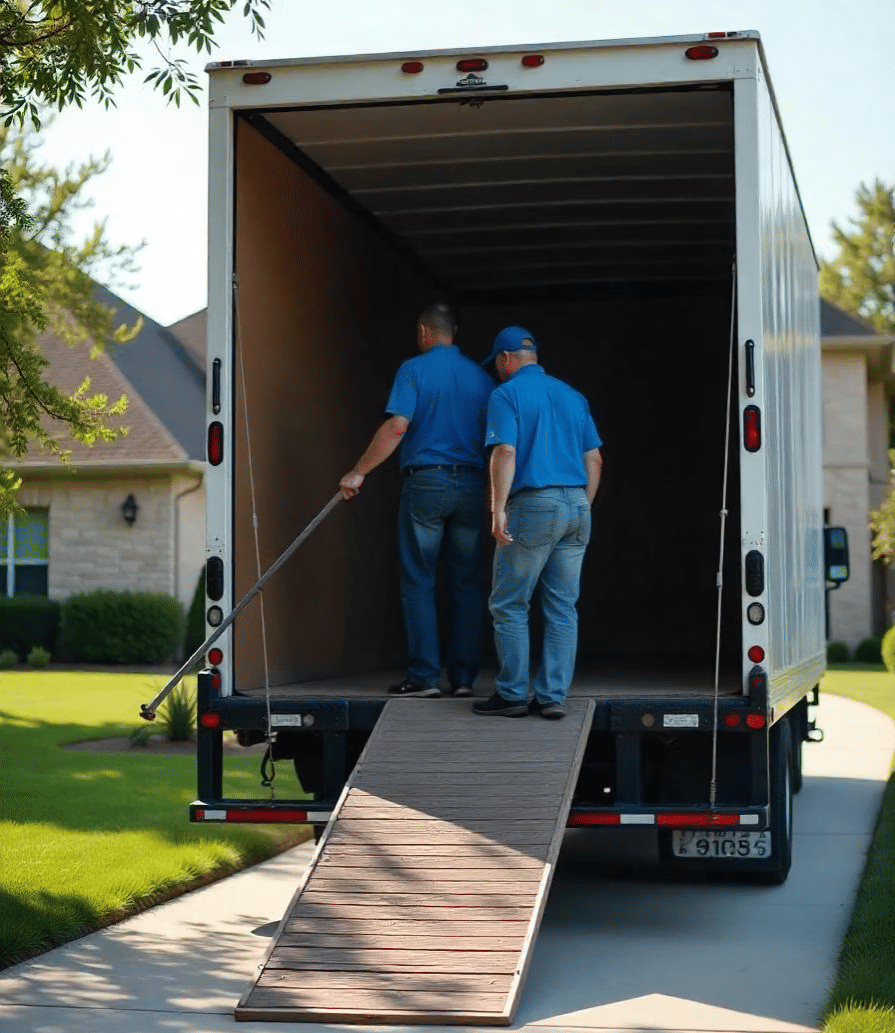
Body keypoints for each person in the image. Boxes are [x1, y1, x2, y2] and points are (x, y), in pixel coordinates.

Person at [339, 303, 494, 698]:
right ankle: (463, 680)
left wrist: (360, 469)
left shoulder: (414, 370)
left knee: (419, 581)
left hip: (427, 485)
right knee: (467, 584)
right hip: (474, 487)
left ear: (424, 332)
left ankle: (424, 677)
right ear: (452, 332)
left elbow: (397, 425)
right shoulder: (482, 377)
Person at [473, 326, 603, 719]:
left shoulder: (507, 394)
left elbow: (505, 451)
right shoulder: (573, 396)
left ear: (506, 359)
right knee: (563, 607)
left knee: (510, 602)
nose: (497, 371)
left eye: (497, 364)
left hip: (533, 504)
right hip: (578, 505)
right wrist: (582, 505)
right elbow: (594, 460)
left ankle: (512, 693)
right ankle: (552, 697)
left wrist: (498, 509)